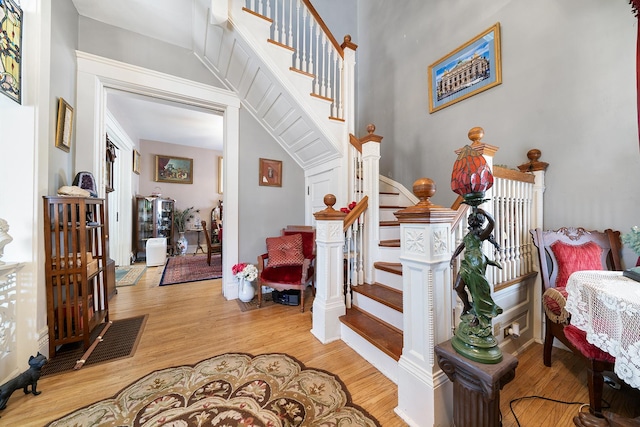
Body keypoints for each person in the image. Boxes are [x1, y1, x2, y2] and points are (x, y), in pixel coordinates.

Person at [450, 207, 503, 335]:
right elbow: (460, 247)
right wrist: (452, 258)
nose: (470, 220)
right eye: (469, 219)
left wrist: (484, 212)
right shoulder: (469, 235)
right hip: (467, 264)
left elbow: (492, 224)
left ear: (478, 221)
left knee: (476, 292)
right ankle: (467, 306)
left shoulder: (481, 234)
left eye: (472, 218)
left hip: (477, 264)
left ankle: (478, 317)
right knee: (458, 287)